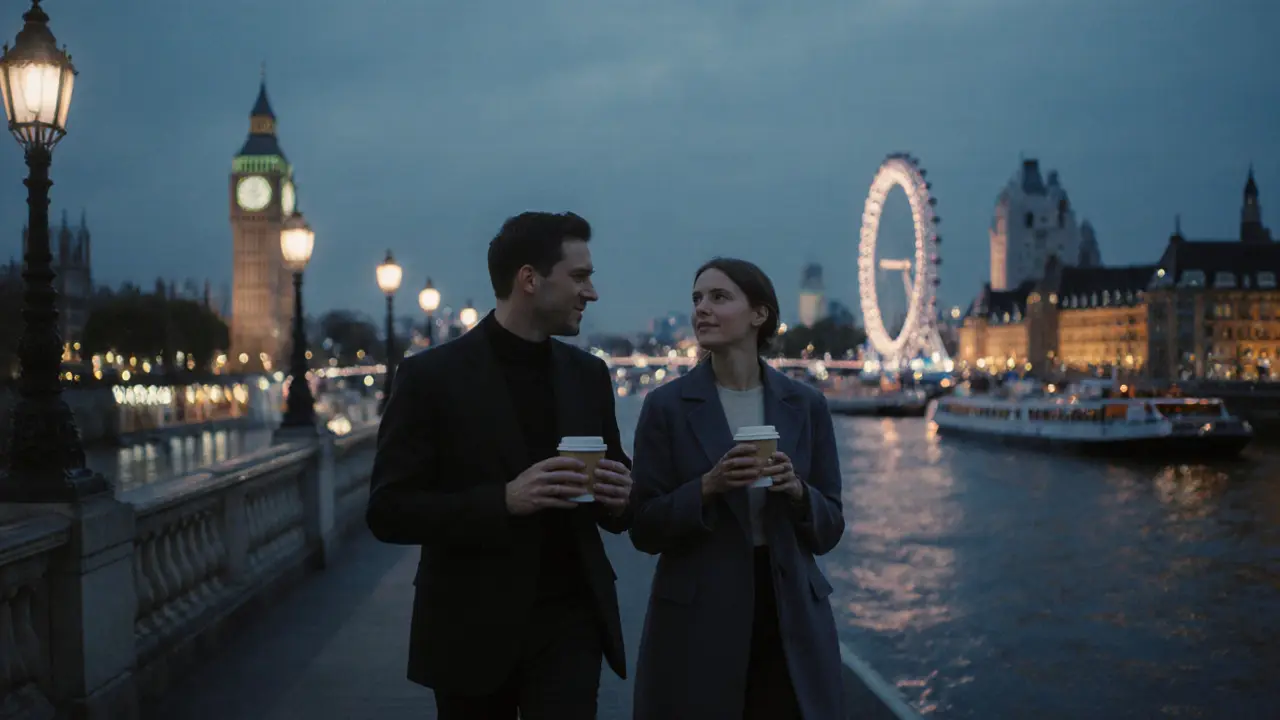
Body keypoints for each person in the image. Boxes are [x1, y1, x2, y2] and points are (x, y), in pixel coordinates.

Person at [366, 211, 634, 720]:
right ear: (529, 279)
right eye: (580, 277)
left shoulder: (589, 375)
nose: (592, 293)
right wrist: (504, 500)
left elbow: (618, 493)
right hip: (469, 629)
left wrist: (623, 497)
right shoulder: (430, 378)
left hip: (570, 625)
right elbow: (388, 511)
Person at [629, 257, 846, 720]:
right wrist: (708, 486)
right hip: (698, 615)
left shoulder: (806, 404)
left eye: (719, 297)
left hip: (788, 612)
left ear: (759, 314)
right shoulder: (666, 406)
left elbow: (830, 527)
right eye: (697, 299)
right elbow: (643, 528)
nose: (702, 309)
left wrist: (797, 491)